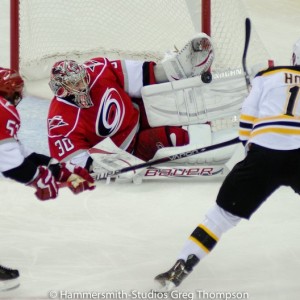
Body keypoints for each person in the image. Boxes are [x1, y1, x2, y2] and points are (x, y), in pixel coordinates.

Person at [154, 39, 300, 290]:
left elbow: (247, 117)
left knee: (220, 217)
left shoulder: (267, 76)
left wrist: (248, 147)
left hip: (262, 155)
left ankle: (180, 267)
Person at [46, 34, 214, 177]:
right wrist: (97, 165)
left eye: (82, 78)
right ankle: (208, 149)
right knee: (176, 137)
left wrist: (169, 71)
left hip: (140, 113)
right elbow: (70, 160)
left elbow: (139, 76)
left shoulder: (97, 69)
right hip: (128, 150)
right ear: (62, 91)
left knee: (172, 102)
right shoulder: (59, 121)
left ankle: (203, 125)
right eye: (75, 83)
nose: (83, 84)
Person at [0, 67, 95, 290]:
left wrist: (61, 169)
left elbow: (20, 154)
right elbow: (11, 164)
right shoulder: (3, 110)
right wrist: (40, 179)